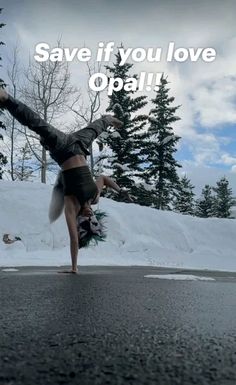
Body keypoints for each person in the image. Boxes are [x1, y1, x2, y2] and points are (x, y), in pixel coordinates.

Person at [0, 89, 132, 274]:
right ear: (94, 216)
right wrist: (120, 191)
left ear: (79, 221)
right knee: (98, 126)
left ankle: (6, 98)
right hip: (80, 145)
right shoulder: (94, 197)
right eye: (91, 218)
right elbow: (103, 178)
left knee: (38, 124)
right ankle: (109, 119)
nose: (87, 215)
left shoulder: (71, 205)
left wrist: (74, 267)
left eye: (84, 219)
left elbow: (74, 240)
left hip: (62, 148)